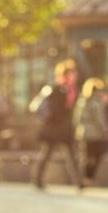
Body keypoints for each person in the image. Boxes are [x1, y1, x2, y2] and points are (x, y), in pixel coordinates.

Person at [32, 59, 82, 191]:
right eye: (72, 73)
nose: (75, 76)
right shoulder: (57, 89)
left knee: (72, 155)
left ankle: (79, 182)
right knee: (47, 153)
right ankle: (37, 179)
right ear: (66, 75)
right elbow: (55, 110)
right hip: (55, 128)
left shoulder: (71, 90)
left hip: (64, 128)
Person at [74, 77, 108, 185]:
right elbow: (100, 119)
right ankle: (89, 177)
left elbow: (77, 119)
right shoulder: (95, 103)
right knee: (96, 156)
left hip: (83, 133)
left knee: (87, 156)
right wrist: (106, 130)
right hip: (95, 134)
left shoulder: (81, 101)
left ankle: (85, 177)